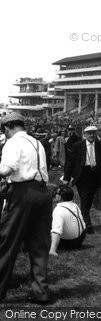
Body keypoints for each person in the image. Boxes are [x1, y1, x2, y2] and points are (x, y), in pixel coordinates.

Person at [0, 113, 52, 303]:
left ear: (8, 128)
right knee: (39, 246)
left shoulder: (12, 143)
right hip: (43, 193)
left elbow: (7, 169)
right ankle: (41, 292)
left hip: (23, 193)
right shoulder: (36, 142)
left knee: (7, 242)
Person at [63, 125, 101, 234]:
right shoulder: (78, 146)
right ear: (84, 134)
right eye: (89, 133)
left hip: (95, 175)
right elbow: (70, 162)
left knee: (89, 199)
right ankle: (87, 224)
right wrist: (66, 178)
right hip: (82, 175)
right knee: (84, 197)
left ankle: (84, 219)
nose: (91, 135)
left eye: (93, 133)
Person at [49, 185, 86, 256]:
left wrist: (52, 250)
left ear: (59, 197)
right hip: (80, 240)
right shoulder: (75, 205)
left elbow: (56, 231)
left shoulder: (58, 210)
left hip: (67, 244)